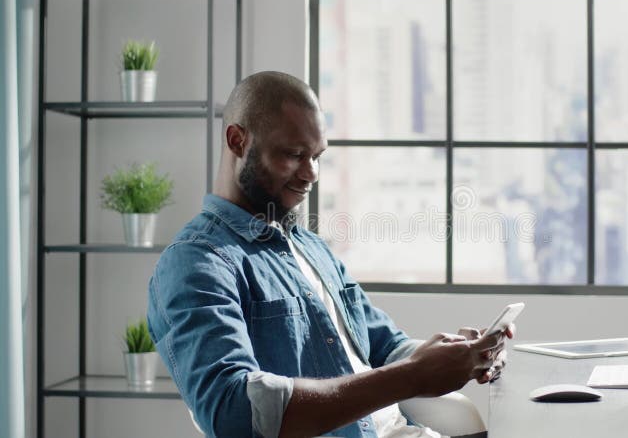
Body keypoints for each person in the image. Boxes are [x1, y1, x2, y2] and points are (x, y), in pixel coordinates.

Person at [147, 71, 514, 438]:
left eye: (317, 156)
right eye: (294, 155)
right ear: (238, 140)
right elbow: (234, 412)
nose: (312, 173)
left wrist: (456, 356)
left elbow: (383, 346)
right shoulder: (197, 262)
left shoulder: (309, 247)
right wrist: (414, 375)